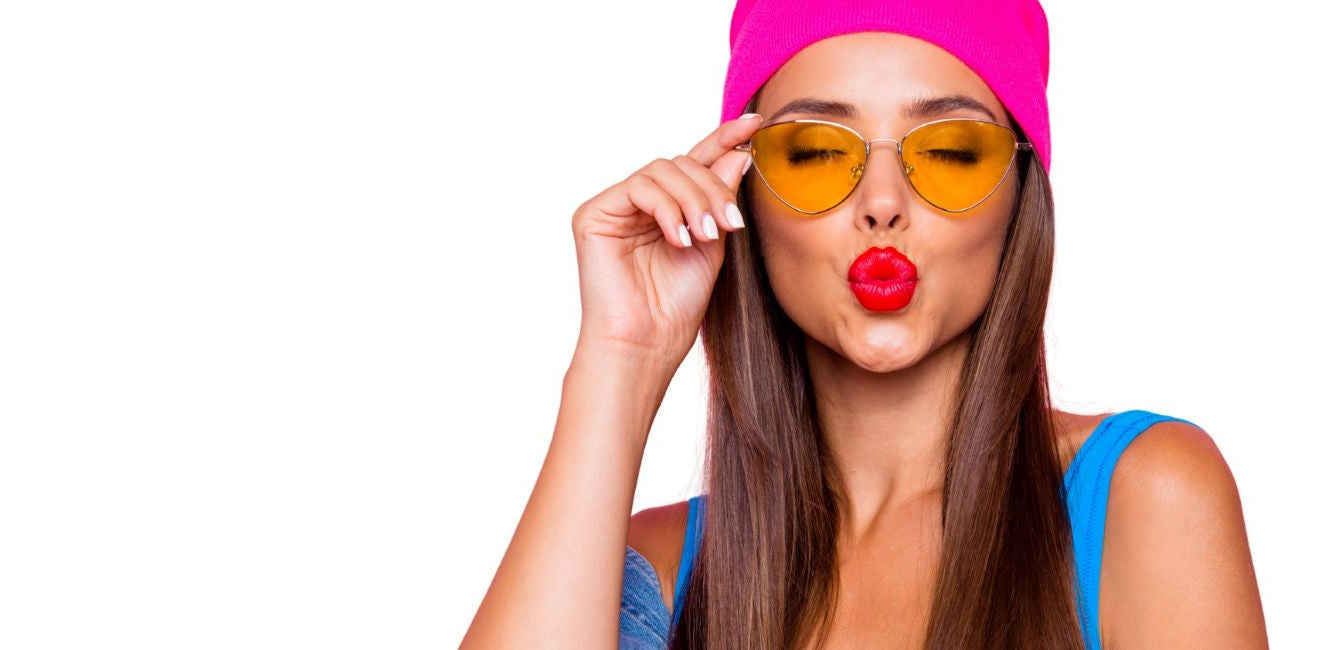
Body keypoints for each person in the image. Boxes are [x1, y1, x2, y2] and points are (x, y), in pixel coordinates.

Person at [458, 0, 1267, 647]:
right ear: (744, 192)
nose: (883, 203)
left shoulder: (1144, 498)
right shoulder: (660, 575)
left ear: (1022, 193)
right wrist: (620, 360)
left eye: (951, 151)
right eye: (814, 152)